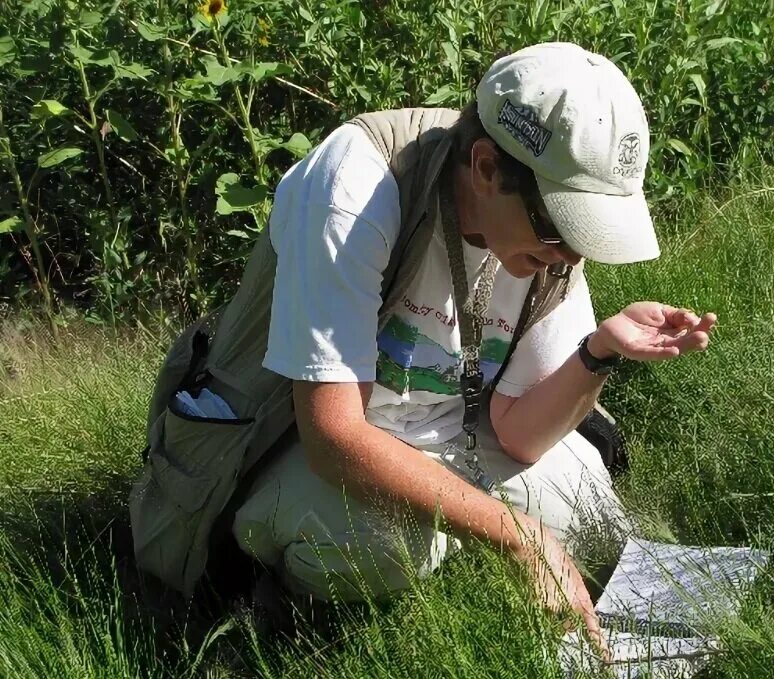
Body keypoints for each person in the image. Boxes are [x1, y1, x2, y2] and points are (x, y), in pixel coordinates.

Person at [228, 42, 716, 650]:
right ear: (486, 166)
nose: (571, 257)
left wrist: (599, 350)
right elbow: (333, 439)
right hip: (301, 444)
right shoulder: (357, 188)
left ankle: (458, 550)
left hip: (451, 437)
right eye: (562, 226)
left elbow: (517, 433)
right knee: (388, 548)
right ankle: (282, 597)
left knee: (594, 522)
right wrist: (515, 535)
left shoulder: (546, 246)